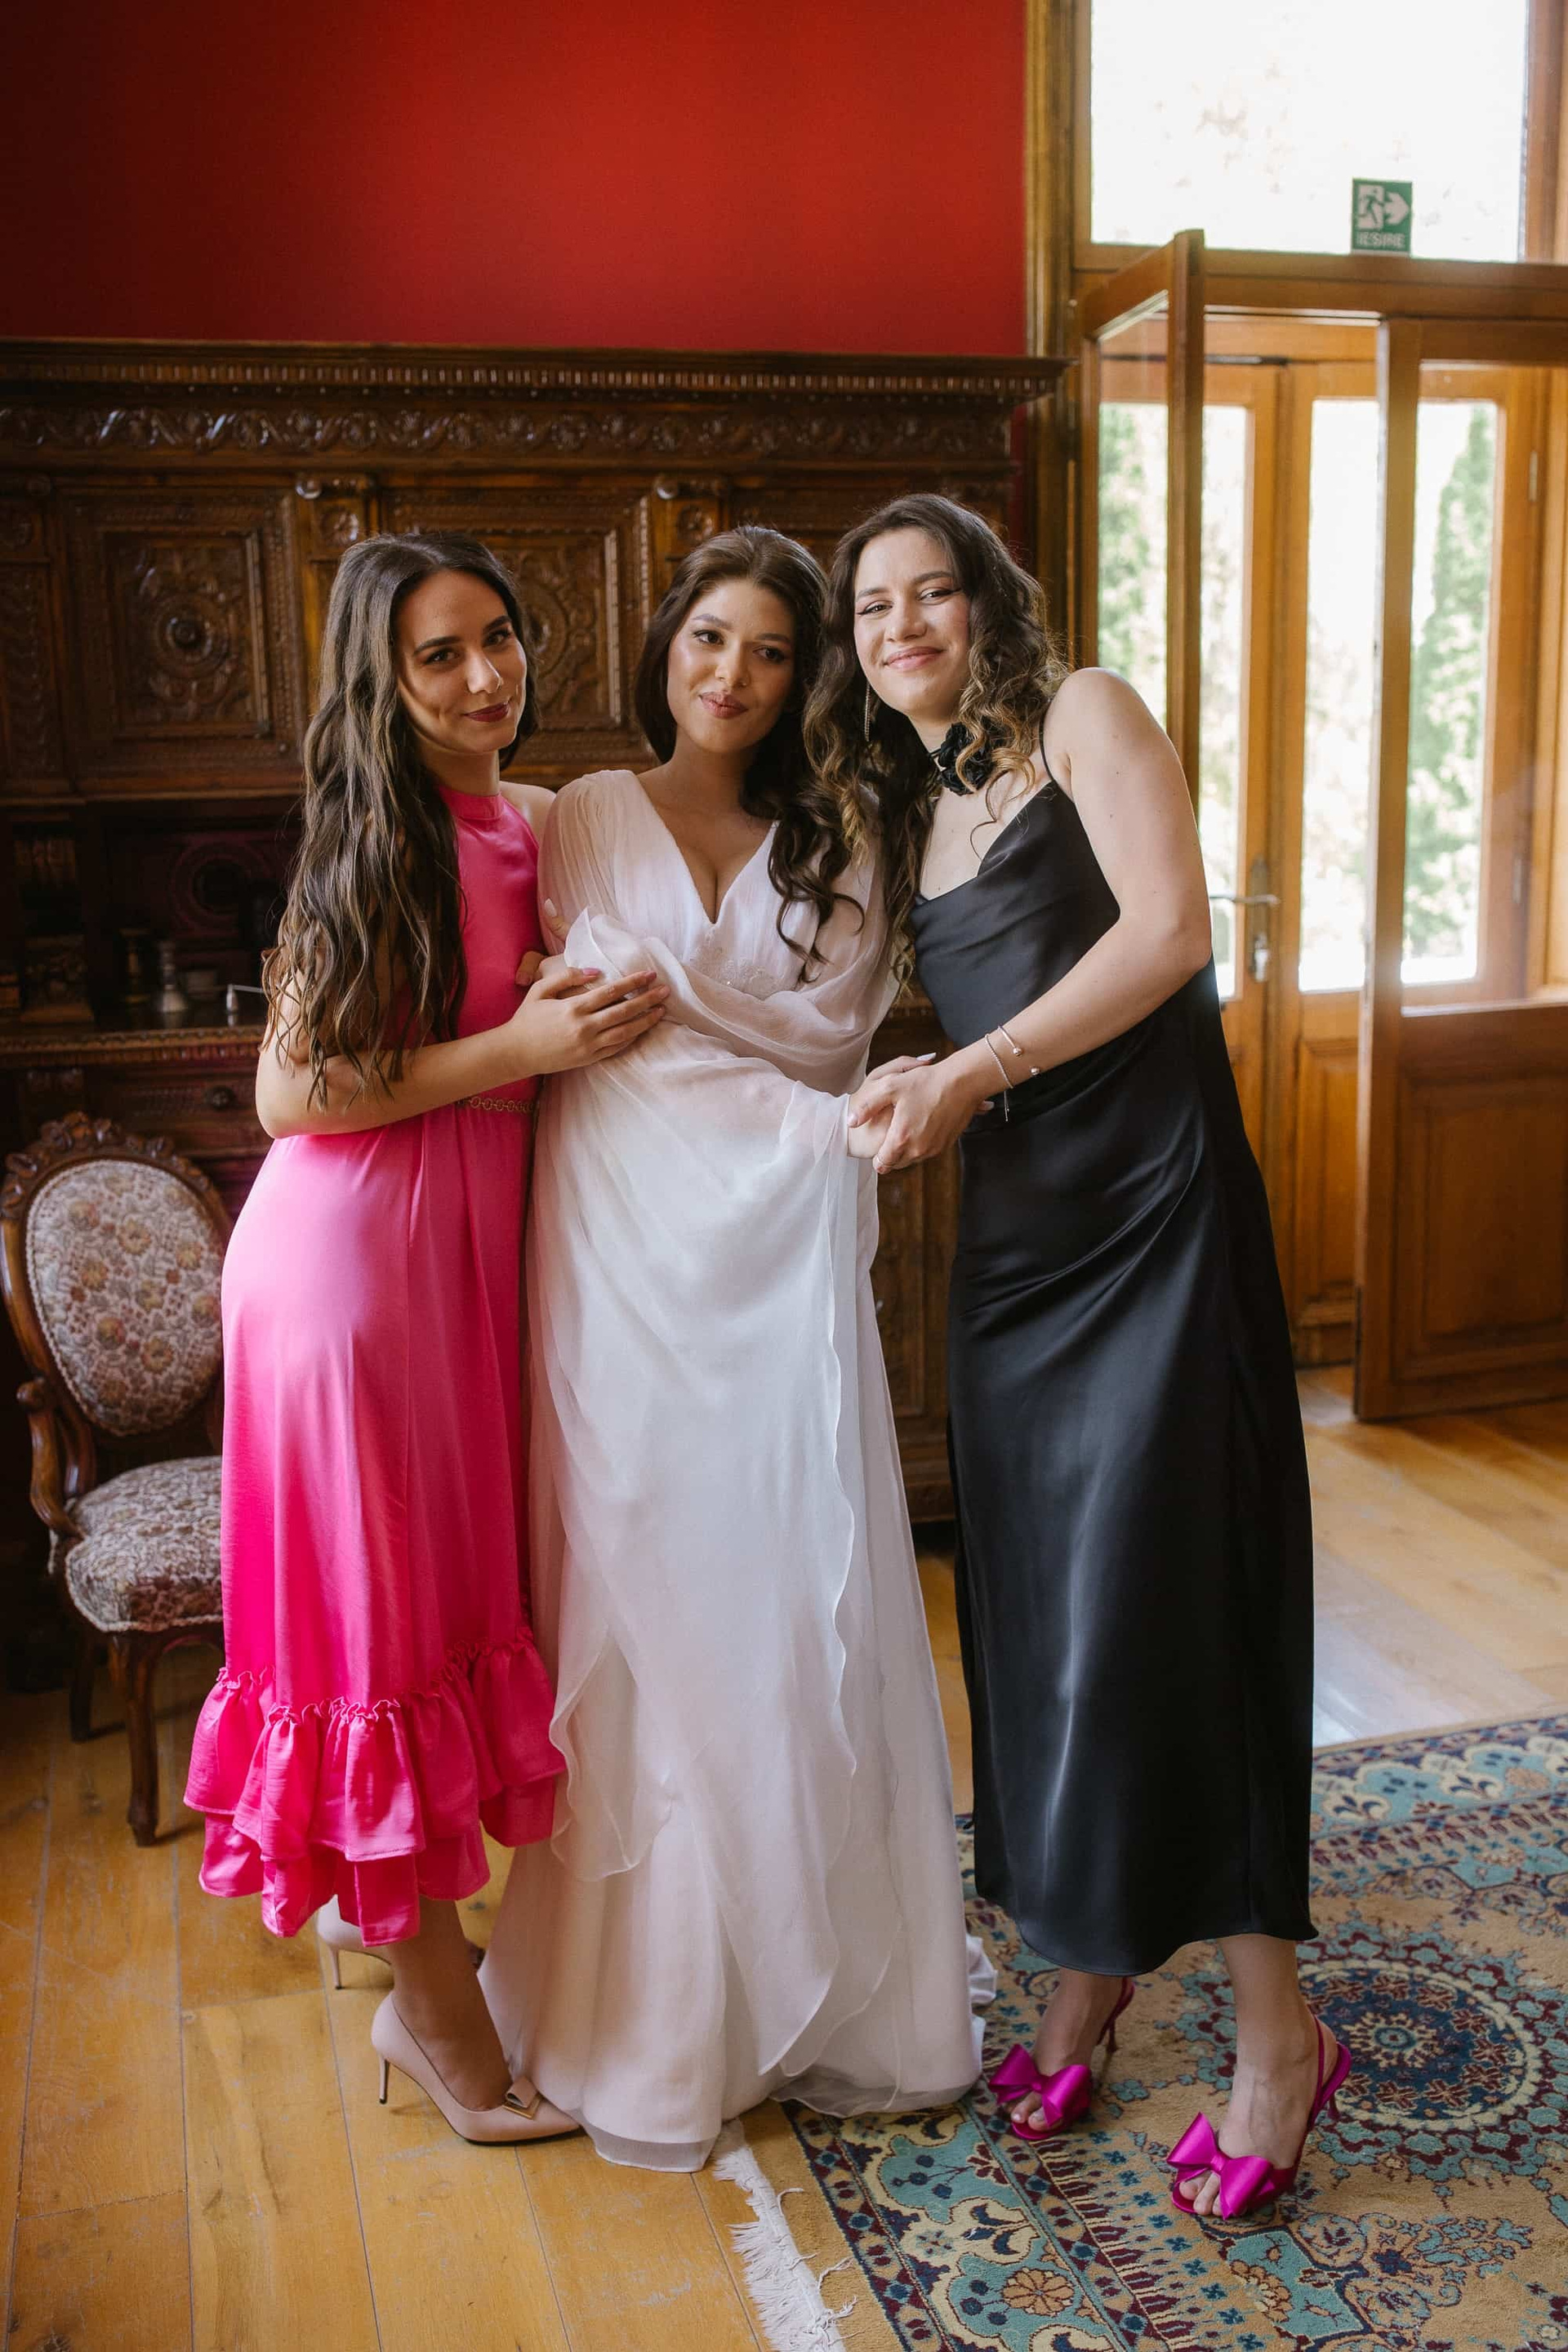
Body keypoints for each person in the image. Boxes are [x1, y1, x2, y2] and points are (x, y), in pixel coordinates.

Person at [806, 494, 1346, 2222]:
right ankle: (1087, 1971)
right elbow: (928, 1008)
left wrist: (971, 1074)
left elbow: (1173, 932)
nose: (904, 625)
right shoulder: (905, 810)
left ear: (988, 603)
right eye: (873, 607)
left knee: (1182, 1601)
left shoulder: (1085, 715)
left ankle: (1279, 2038)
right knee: (1041, 1614)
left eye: (933, 593)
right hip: (1019, 1252)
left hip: (1162, 1222)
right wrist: (917, 1074)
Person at [480, 525, 988, 2172]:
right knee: (634, 1603)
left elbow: (831, 1048)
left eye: (772, 651)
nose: (735, 676)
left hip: (770, 1270)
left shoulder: (839, 839)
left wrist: (668, 1007)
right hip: (615, 1262)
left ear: (804, 676)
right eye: (711, 638)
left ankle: (820, 1994)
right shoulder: (576, 814)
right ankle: (637, 2016)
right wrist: (589, 1011)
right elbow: (550, 1023)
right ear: (665, 646)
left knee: (775, 1598)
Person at [185, 532, 665, 2145]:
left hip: (449, 1274)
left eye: (498, 637)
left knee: (436, 1616)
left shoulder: (530, 819)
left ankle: (400, 1941)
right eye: (440, 655)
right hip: (350, 1285)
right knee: (376, 1646)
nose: (485, 677)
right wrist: (517, 1045)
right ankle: (438, 2023)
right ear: (382, 688)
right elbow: (291, 1090)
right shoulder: (375, 833)